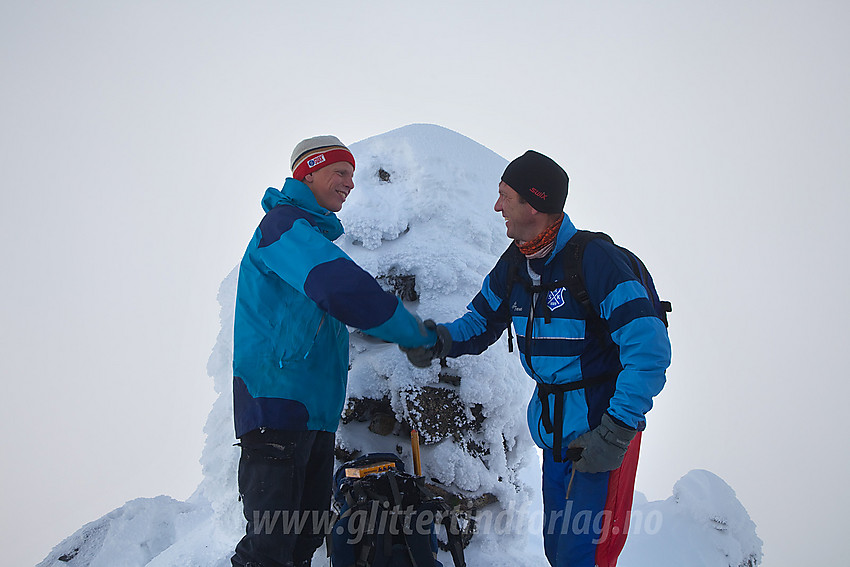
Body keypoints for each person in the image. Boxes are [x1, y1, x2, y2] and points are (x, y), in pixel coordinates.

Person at [402, 150, 671, 567]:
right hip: (555, 437)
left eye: (504, 195)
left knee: (586, 557)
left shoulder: (595, 261)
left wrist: (615, 434)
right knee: (557, 552)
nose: (497, 207)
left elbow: (649, 352)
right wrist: (438, 340)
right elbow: (481, 321)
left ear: (533, 203)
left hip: (602, 433)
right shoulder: (516, 264)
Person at [231, 135, 437, 567]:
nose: (350, 183)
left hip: (311, 416)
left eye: (353, 175)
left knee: (302, 542)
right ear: (310, 171)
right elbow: (340, 288)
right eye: (340, 172)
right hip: (276, 410)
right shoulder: (283, 228)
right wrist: (411, 332)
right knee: (268, 550)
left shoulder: (307, 234)